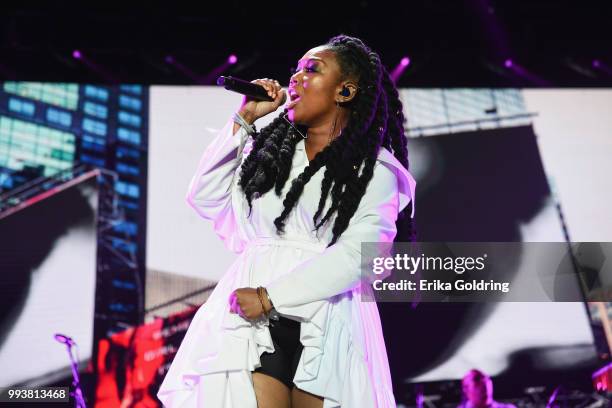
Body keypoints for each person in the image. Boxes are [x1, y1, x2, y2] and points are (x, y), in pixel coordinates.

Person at [157, 34, 416, 408]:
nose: (294, 77)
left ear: (345, 91)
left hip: (327, 311)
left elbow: (364, 253)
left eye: (311, 69)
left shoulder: (375, 170)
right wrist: (246, 117)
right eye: (295, 69)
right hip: (252, 315)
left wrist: (271, 297)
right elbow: (204, 196)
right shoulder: (268, 156)